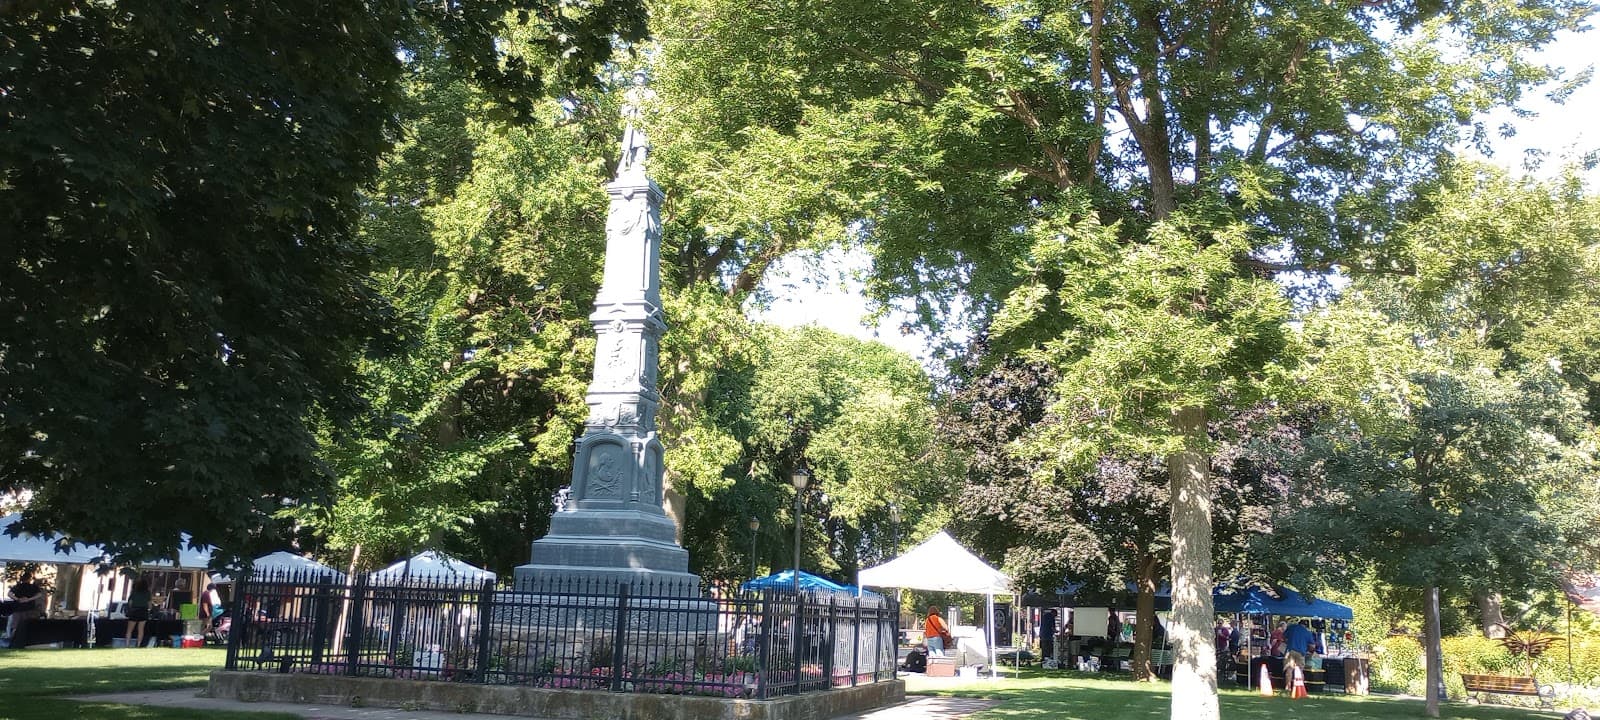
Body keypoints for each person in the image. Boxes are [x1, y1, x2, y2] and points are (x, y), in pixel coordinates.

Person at [4, 572, 44, 645]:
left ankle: (13, 641)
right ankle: (27, 640)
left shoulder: (18, 586)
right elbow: (39, 595)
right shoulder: (33, 587)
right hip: (30, 609)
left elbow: (9, 594)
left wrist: (17, 599)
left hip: (18, 608)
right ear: (30, 579)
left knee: (15, 625)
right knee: (28, 625)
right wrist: (30, 599)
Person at [124, 578, 151, 648]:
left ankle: (127, 644)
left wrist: (130, 608)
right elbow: (149, 604)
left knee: (129, 629)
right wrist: (149, 609)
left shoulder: (134, 591)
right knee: (141, 629)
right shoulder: (148, 593)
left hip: (134, 610)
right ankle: (138, 645)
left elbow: (130, 602)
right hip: (143, 611)